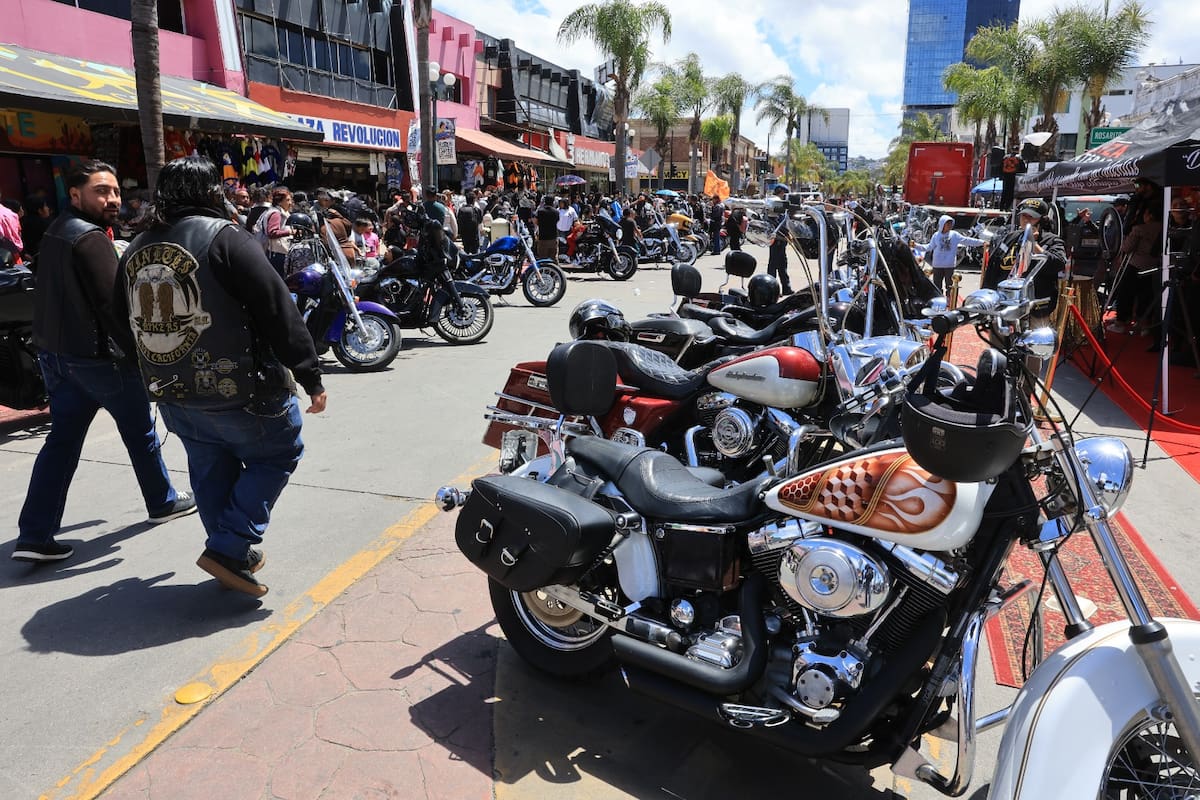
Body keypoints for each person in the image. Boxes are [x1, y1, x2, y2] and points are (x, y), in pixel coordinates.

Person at [115, 156, 327, 597]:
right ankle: (229, 548)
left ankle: (229, 552)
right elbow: (277, 308)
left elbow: (119, 320)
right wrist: (310, 375)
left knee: (210, 468)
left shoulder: (135, 246)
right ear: (212, 192)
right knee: (279, 452)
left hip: (173, 390)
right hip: (242, 388)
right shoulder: (224, 238)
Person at [13, 160, 196, 564]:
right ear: (76, 194)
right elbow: (113, 308)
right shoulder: (90, 238)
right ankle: (162, 501)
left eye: (114, 190)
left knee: (60, 444)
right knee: (141, 434)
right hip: (98, 361)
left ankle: (35, 534)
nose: (112, 198)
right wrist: (141, 358)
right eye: (101, 191)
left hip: (59, 359)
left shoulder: (57, 230)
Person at [982, 198, 1067, 317]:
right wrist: (986, 297)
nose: (1026, 220)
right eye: (1023, 216)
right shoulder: (1010, 237)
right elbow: (993, 266)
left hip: (1034, 308)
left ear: (1041, 220)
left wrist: (1033, 244)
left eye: (1031, 217)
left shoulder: (1052, 240)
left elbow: (1058, 263)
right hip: (1003, 305)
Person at [1107, 205, 1163, 336]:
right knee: (1147, 296)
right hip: (1154, 265)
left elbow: (1127, 247)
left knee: (1126, 294)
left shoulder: (1139, 229)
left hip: (1136, 264)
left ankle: (1121, 322)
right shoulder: (1163, 228)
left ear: (1149, 215)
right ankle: (1144, 324)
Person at [925, 214, 985, 295]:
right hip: (937, 265)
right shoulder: (936, 235)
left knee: (950, 286)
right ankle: (938, 301)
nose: (950, 225)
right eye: (947, 223)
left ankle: (950, 302)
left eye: (951, 223)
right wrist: (916, 246)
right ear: (942, 224)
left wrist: (982, 242)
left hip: (949, 266)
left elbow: (967, 240)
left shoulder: (954, 235)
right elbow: (929, 247)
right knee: (937, 286)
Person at [256, 187, 295, 277]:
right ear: (280, 202)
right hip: (277, 253)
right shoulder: (276, 214)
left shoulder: (275, 211)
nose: (290, 203)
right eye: (288, 200)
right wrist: (290, 231)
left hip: (276, 252)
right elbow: (272, 232)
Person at [766, 185, 792, 293]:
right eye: (784, 193)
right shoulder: (774, 202)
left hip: (782, 240)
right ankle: (771, 289)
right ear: (780, 192)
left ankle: (786, 288)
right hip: (777, 239)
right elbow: (775, 222)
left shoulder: (780, 204)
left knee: (782, 264)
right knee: (773, 264)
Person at [534, 194, 559, 261]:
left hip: (542, 237)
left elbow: (536, 222)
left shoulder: (540, 211)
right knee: (552, 258)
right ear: (553, 202)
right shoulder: (556, 211)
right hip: (553, 237)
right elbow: (557, 221)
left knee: (542, 258)